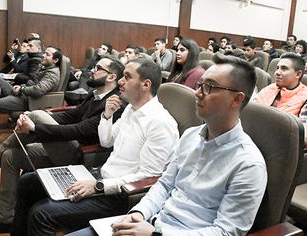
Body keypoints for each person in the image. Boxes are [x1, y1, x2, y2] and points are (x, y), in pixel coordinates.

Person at [69, 53, 268, 236]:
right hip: (154, 223)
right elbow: (164, 184)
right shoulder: (191, 136)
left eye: (209, 87)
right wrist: (140, 212)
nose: (198, 93)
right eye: (199, 85)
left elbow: (225, 232)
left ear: (236, 99)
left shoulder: (248, 164)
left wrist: (157, 234)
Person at [10, 58, 179, 235]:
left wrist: (98, 186)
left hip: (119, 196)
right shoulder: (131, 108)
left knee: (42, 213)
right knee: (27, 182)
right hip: (100, 177)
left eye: (127, 77)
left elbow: (147, 177)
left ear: (145, 84)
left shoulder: (160, 123)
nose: (120, 81)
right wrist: (107, 116)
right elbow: (107, 142)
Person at [0, 56, 125, 235]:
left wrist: (35, 127)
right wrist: (31, 119)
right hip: (66, 146)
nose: (93, 70)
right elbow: (71, 116)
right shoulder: (95, 94)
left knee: (37, 115)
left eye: (99, 68)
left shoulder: (114, 103)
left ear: (111, 77)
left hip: (82, 155)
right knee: (10, 157)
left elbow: (79, 130)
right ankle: (4, 218)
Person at [0, 44, 60, 151]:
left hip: (28, 100)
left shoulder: (52, 74)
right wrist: (21, 86)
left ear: (55, 60)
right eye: (44, 53)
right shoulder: (44, 67)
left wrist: (22, 89)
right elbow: (32, 83)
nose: (43, 55)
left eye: (47, 54)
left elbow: (38, 91)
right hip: (23, 93)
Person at [255, 52, 307, 144]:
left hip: (278, 146)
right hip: (254, 137)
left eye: (284, 68)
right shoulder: (271, 88)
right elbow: (250, 113)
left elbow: (303, 138)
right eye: (277, 68)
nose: (277, 72)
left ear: (298, 74)